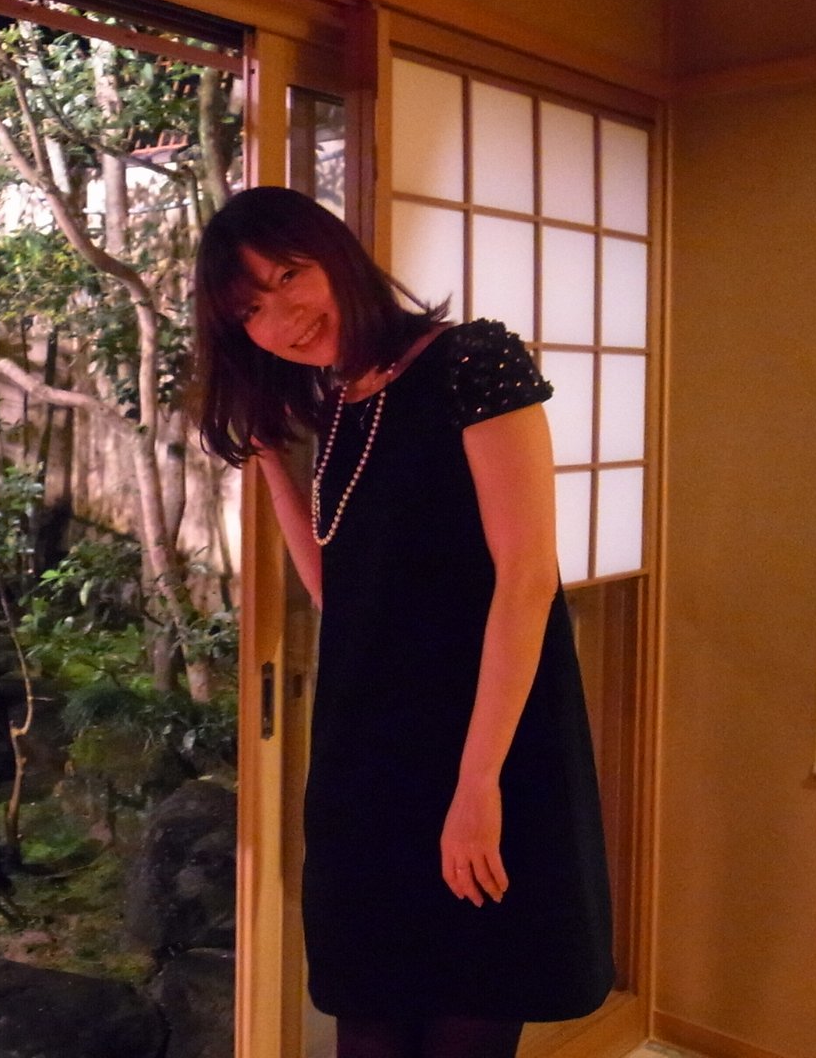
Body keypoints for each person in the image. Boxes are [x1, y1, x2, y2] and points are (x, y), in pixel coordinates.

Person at [192, 187, 613, 1058]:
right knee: (370, 1014)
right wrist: (268, 454)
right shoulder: (343, 404)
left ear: (337, 256)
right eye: (251, 311)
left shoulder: (470, 360)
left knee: (468, 1004)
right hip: (370, 754)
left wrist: (478, 785)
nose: (283, 317)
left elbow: (527, 579)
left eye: (290, 275)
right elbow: (338, 594)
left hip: (483, 744)